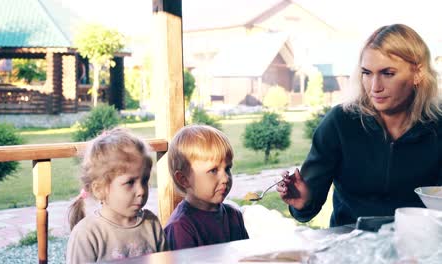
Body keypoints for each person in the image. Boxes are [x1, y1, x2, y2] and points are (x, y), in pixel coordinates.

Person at [277, 24, 442, 227]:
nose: (375, 87)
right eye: (367, 73)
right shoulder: (339, 123)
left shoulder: (438, 125)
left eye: (388, 73)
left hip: (417, 248)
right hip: (351, 248)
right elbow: (306, 209)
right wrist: (303, 202)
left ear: (418, 73)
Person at [66, 128, 167, 263]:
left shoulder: (151, 224)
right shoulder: (87, 234)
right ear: (100, 189)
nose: (142, 191)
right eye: (130, 182)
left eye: (144, 180)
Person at [164, 125, 249, 250]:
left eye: (227, 169)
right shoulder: (181, 227)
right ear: (184, 179)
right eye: (213, 170)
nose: (225, 178)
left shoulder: (234, 216)